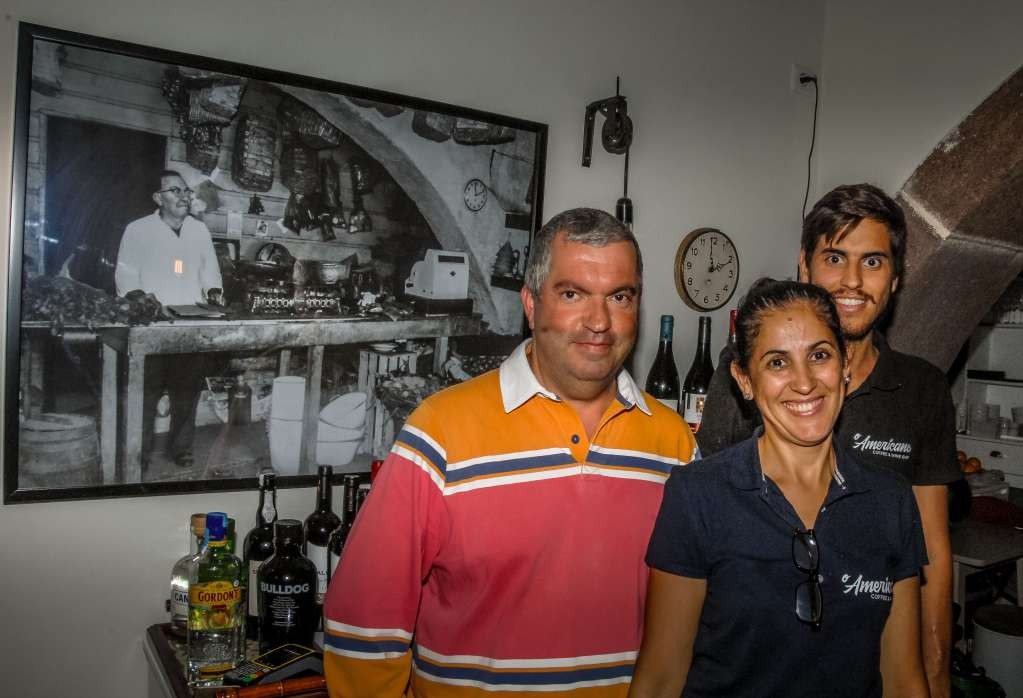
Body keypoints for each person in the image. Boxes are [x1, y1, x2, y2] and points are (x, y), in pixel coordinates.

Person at [322, 208, 698, 698]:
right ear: (531, 305)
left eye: (620, 297)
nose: (599, 322)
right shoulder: (438, 433)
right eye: (572, 294)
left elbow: (693, 630)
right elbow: (363, 627)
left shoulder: (676, 448)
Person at [698, 183, 959, 696]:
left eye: (873, 262)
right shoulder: (749, 379)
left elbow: (933, 550)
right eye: (835, 257)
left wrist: (936, 674)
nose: (852, 281)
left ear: (896, 278)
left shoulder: (922, 389)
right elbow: (704, 529)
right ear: (805, 265)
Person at [629, 278, 929, 698]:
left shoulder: (890, 500)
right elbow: (661, 679)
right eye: (777, 363)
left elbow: (904, 680)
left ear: (845, 363)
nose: (804, 382)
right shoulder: (698, 496)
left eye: (819, 355)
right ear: (744, 380)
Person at [115, 170, 223, 468]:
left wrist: (214, 292)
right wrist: (142, 300)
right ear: (158, 198)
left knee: (187, 390)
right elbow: (125, 275)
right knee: (145, 392)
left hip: (190, 323)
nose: (184, 196)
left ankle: (181, 448)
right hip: (152, 323)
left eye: (186, 191)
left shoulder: (198, 231)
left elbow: (210, 270)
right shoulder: (138, 230)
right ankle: (140, 453)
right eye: (175, 191)